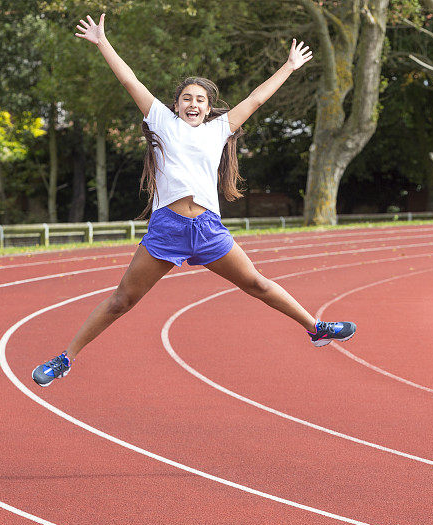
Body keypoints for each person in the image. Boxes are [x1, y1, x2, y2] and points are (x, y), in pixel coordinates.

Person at [33, 14, 356, 387]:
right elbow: (129, 80)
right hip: (167, 229)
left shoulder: (220, 129)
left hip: (206, 229)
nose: (193, 103)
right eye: (187, 98)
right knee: (122, 300)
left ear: (208, 107)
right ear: (175, 104)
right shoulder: (161, 121)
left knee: (257, 284)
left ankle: (316, 328)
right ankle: (65, 358)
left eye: (200, 99)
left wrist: (289, 66)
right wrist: (103, 42)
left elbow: (256, 98)